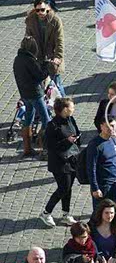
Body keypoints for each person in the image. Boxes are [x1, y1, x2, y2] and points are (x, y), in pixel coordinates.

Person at [39, 97, 80, 226]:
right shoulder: (52, 126)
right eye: (71, 106)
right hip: (59, 163)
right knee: (63, 188)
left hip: (72, 159)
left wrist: (76, 139)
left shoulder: (71, 119)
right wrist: (67, 141)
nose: (73, 108)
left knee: (68, 188)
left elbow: (76, 132)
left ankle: (65, 214)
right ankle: (46, 212)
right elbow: (50, 146)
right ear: (64, 109)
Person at [12, 36, 50, 158]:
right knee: (46, 120)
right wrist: (46, 66)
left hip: (24, 94)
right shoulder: (30, 60)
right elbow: (40, 75)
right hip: (35, 94)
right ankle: (45, 149)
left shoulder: (17, 59)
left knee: (28, 119)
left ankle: (27, 149)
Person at [24, 0, 66, 97]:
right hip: (38, 58)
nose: (40, 13)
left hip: (51, 57)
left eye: (42, 10)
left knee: (57, 85)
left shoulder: (55, 21)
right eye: (37, 10)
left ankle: (65, 104)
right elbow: (28, 39)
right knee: (39, 87)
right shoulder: (30, 20)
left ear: (48, 8)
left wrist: (58, 57)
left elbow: (59, 41)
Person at [87, 116, 116, 209]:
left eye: (113, 126)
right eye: (108, 126)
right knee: (100, 212)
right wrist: (95, 188)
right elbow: (91, 168)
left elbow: (115, 162)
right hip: (103, 185)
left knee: (115, 211)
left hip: (114, 183)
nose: (111, 129)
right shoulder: (95, 145)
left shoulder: (113, 139)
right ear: (101, 126)